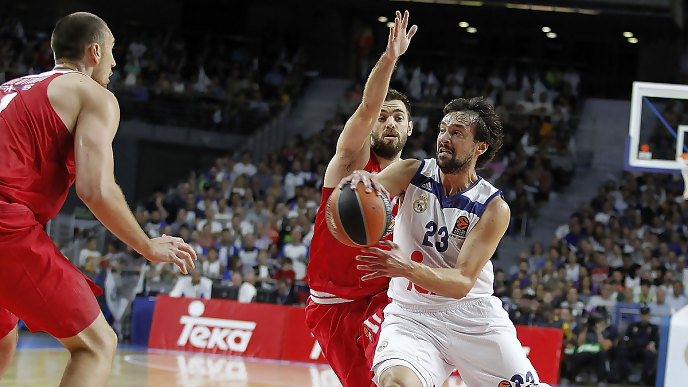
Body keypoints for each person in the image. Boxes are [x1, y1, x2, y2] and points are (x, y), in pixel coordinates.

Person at [0, 12, 197, 386]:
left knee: (2, 339)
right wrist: (145, 244)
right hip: (5, 223)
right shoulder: (93, 95)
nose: (115, 62)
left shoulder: (13, 87)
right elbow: (95, 189)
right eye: (112, 52)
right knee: (97, 344)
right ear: (94, 51)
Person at [351, 97, 547, 386]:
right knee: (396, 383)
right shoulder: (410, 172)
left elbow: (461, 282)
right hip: (411, 315)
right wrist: (357, 190)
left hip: (472, 318)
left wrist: (406, 268)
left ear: (480, 147)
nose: (445, 138)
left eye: (457, 133)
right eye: (443, 130)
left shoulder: (493, 207)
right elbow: (366, 196)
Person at [304, 10, 417, 387]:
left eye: (398, 117)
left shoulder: (416, 185)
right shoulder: (351, 164)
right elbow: (368, 107)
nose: (389, 123)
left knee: (394, 374)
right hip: (330, 304)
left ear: (410, 127)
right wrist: (389, 59)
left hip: (384, 300)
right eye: (384, 117)